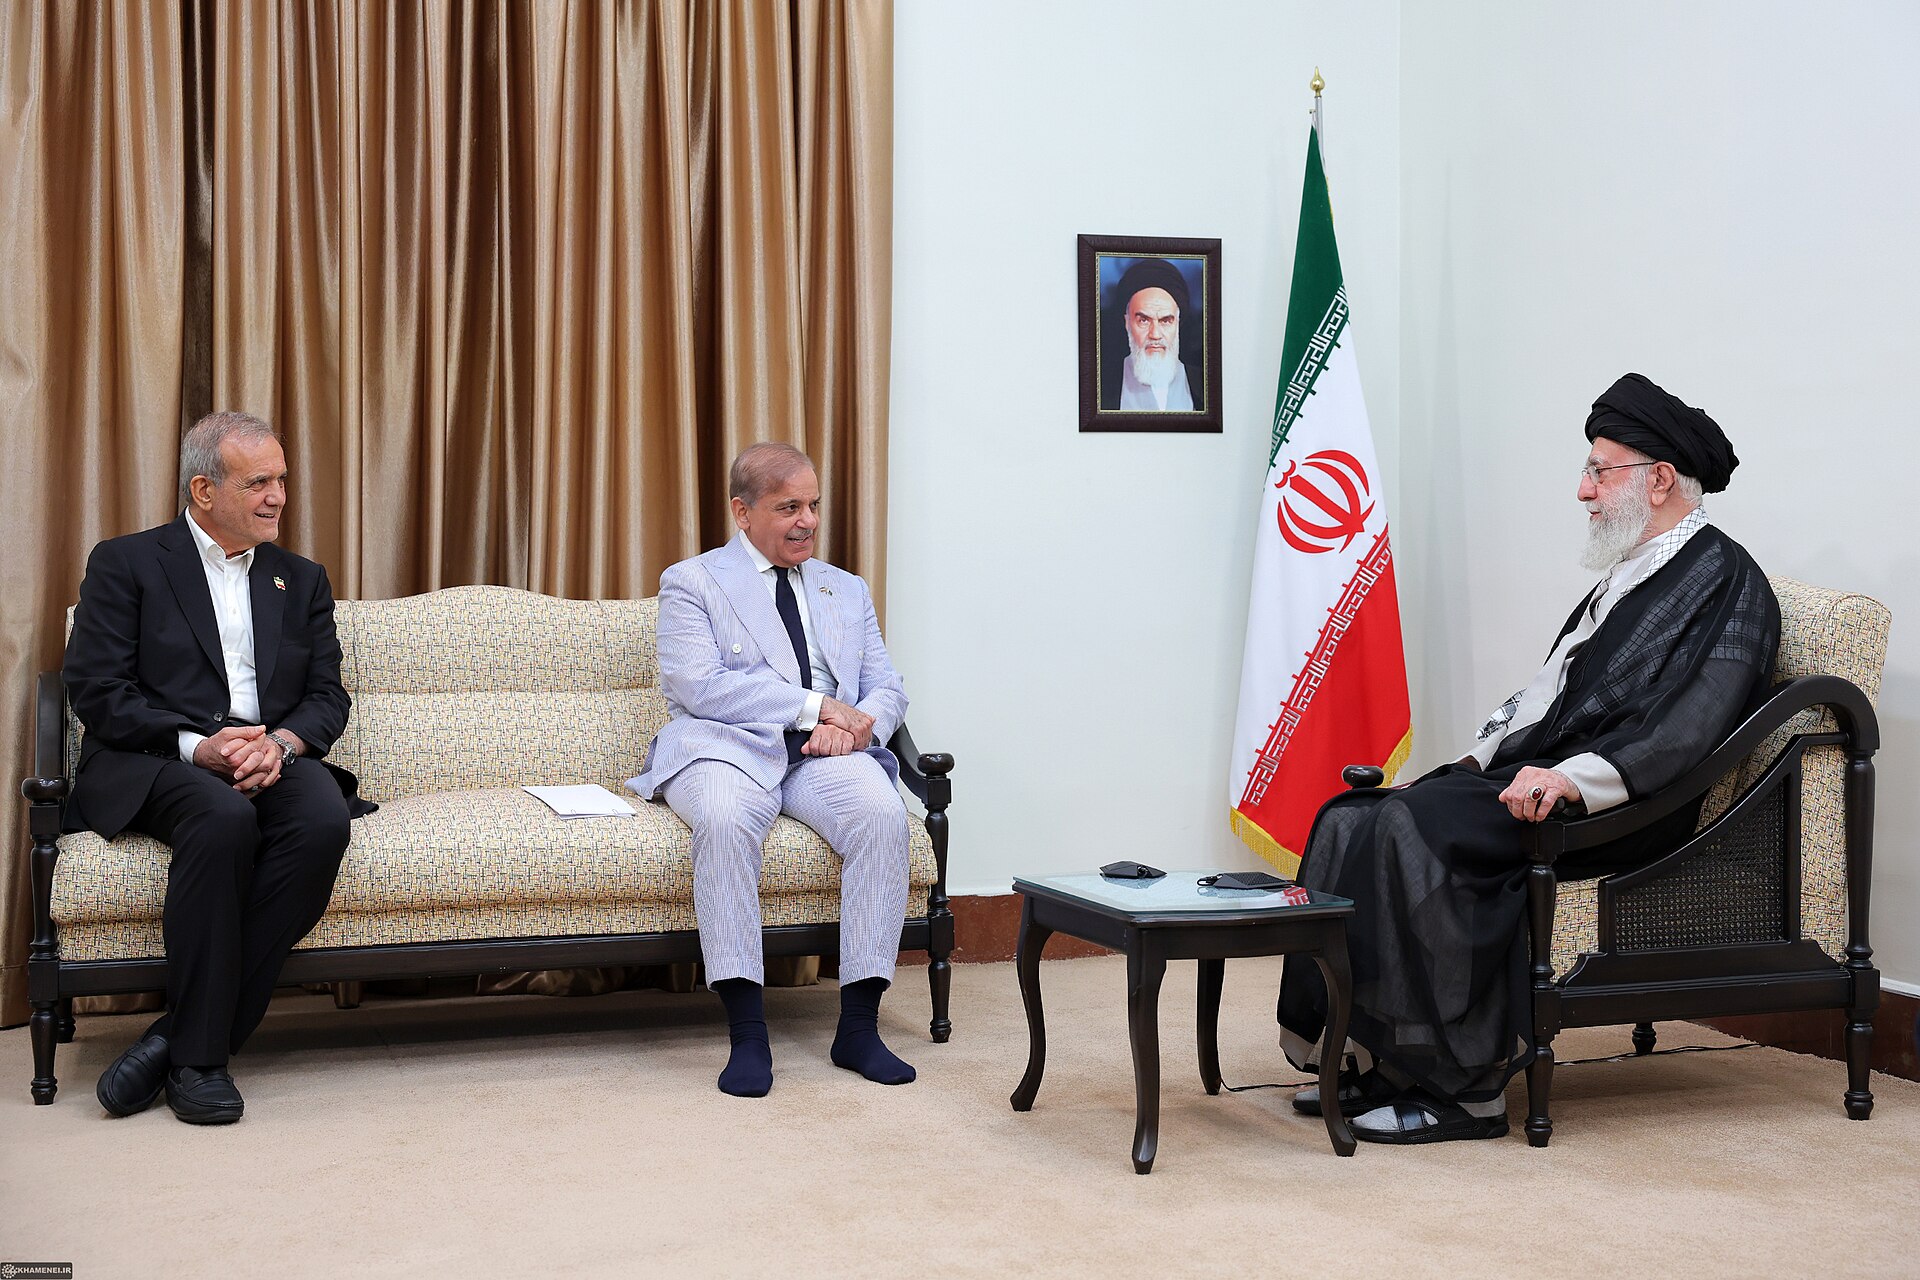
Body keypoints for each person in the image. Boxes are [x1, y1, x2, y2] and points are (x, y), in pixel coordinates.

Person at [1278, 373, 1780, 1144]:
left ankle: (1464, 1090)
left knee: (1416, 829)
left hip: (1627, 805)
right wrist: (1471, 766)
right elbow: (1545, 695)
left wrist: (1570, 780)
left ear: (1659, 481)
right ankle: (1379, 1055)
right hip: (1541, 782)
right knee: (1355, 815)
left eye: (1598, 470)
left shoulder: (1727, 579)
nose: (1583, 491)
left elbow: (1686, 729)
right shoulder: (1631, 572)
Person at [67, 411, 368, 1125]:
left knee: (323, 820)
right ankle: (201, 1063)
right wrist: (198, 744)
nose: (278, 497)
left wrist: (284, 745)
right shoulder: (128, 561)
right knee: (223, 817)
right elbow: (101, 693)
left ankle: (172, 1038)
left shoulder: (301, 579)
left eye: (282, 480)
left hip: (269, 754)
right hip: (158, 757)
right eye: (258, 481)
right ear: (204, 490)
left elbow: (328, 695)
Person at [628, 442, 916, 1097]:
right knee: (726, 821)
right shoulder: (692, 582)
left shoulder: (845, 588)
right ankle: (748, 1036)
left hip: (823, 755)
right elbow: (701, 687)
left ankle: (859, 1029)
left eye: (813, 505)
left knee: (881, 813)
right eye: (789, 506)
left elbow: (887, 685)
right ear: (743, 511)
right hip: (726, 747)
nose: (807, 520)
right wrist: (819, 706)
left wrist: (856, 725)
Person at [1101, 257, 1204, 412]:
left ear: (1178, 323)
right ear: (1127, 322)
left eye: (1165, 321)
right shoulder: (1100, 385)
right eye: (1143, 320)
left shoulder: (1205, 384)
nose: (1155, 334)